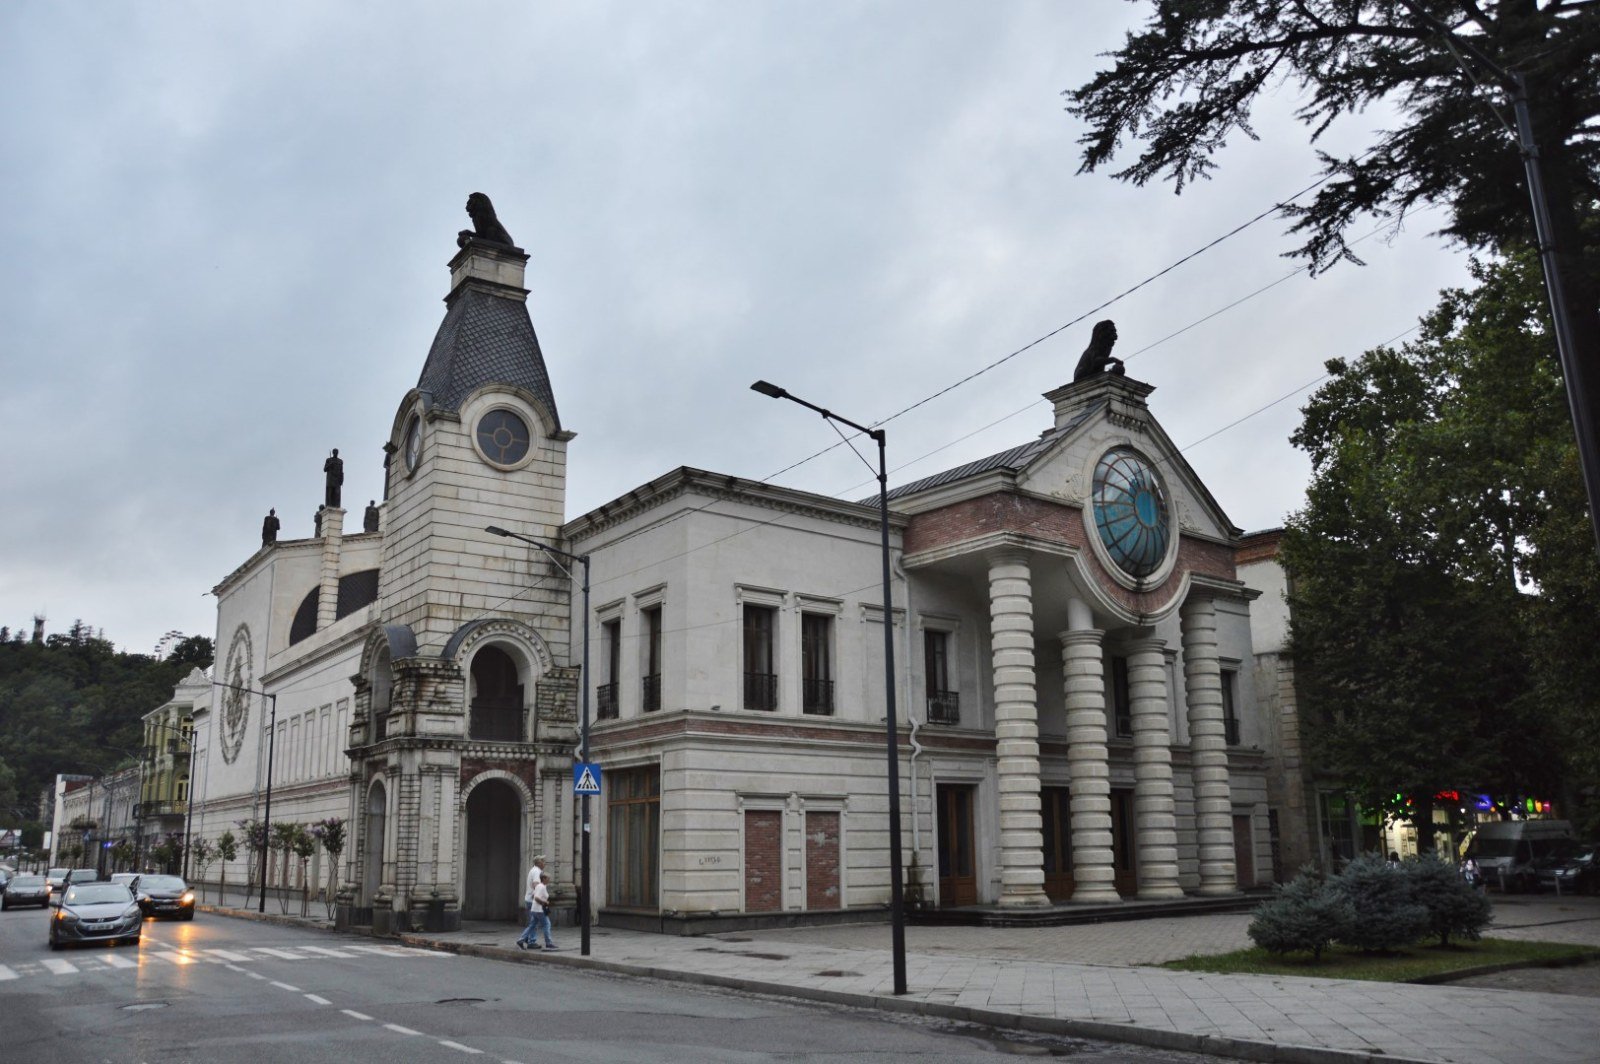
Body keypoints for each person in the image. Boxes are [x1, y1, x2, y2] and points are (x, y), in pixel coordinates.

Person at [515, 855, 546, 950]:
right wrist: (540, 899)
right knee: (534, 922)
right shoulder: (537, 871)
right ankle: (527, 940)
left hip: (529, 899)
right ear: (539, 863)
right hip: (533, 900)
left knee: (533, 922)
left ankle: (528, 940)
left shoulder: (533, 870)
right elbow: (536, 884)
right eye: (543, 861)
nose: (544, 863)